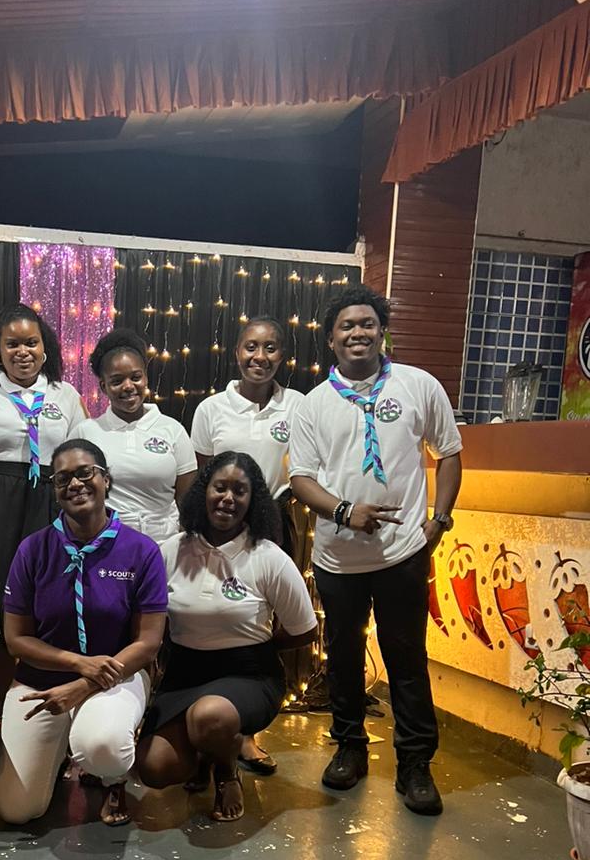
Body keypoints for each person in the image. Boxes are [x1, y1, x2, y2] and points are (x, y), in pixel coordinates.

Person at [288, 283, 463, 816]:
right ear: (331, 339)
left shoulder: (417, 385)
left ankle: (415, 766)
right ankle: (349, 749)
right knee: (342, 657)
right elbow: (300, 478)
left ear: (381, 330)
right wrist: (345, 511)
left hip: (404, 554)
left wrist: (438, 521)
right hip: (338, 559)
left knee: (406, 658)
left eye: (366, 323)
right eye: (347, 326)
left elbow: (449, 452)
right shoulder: (313, 404)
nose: (358, 332)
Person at [0, 440, 168, 827]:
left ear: (106, 479)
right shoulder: (32, 550)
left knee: (101, 746)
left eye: (85, 473)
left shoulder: (142, 551)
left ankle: (112, 777)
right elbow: (16, 639)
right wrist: (75, 664)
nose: (75, 484)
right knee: (15, 809)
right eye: (62, 478)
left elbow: (149, 642)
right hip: (41, 681)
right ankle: (55, 758)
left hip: (115, 677)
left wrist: (84, 684)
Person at [137, 453, 317, 822]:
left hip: (248, 674)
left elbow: (305, 629)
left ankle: (225, 769)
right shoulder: (171, 551)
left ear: (253, 501)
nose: (228, 498)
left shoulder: (268, 557)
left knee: (211, 716)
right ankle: (203, 757)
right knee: (155, 769)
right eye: (220, 487)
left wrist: (260, 646)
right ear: (204, 492)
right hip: (185, 673)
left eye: (240, 491)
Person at [0, 304, 87, 692]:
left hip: (52, 503)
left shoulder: (66, 394)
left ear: (45, 349)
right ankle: (1, 692)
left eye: (31, 343)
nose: (22, 352)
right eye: (13, 344)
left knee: (50, 594)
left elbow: (80, 453)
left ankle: (49, 681)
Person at [190, 315, 306, 775]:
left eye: (272, 348)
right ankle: (204, 724)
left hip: (273, 522)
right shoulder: (211, 410)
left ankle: (246, 732)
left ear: (284, 354)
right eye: (252, 348)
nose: (261, 357)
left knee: (260, 620)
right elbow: (202, 479)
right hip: (219, 527)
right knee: (215, 613)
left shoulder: (297, 405)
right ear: (237, 352)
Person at [76, 328, 197, 539]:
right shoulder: (85, 433)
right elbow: (75, 497)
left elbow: (188, 502)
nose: (128, 386)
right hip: (107, 545)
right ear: (103, 387)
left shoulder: (173, 430)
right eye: (117, 381)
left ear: (146, 378)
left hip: (165, 545)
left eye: (135, 377)